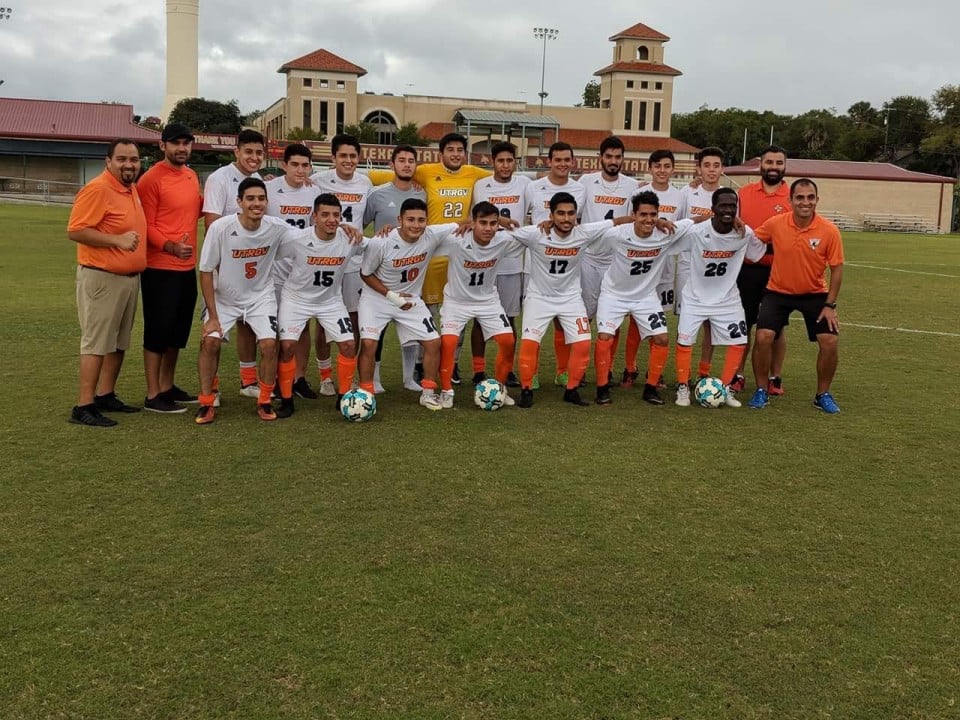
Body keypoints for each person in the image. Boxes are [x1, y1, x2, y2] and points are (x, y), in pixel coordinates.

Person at [508, 191, 633, 408]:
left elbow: (616, 221)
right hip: (539, 297)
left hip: (570, 298)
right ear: (551, 215)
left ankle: (572, 389)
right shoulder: (535, 233)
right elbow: (505, 230)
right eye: (561, 214)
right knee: (529, 343)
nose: (566, 218)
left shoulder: (584, 232)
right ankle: (527, 390)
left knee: (583, 343)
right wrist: (478, 222)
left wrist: (656, 221)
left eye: (571, 214)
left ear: (577, 215)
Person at [67, 138, 147, 426]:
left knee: (118, 342)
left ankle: (105, 394)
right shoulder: (98, 188)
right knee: (97, 342)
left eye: (134, 159)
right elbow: (76, 230)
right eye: (122, 159)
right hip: (102, 277)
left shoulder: (130, 189)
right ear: (108, 161)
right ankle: (84, 405)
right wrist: (117, 240)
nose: (129, 165)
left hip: (128, 279)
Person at [593, 190, 698, 406]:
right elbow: (588, 235)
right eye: (643, 215)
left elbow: (694, 220)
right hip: (614, 295)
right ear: (634, 215)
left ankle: (650, 389)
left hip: (645, 297)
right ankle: (602, 387)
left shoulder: (666, 232)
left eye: (653, 215)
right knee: (604, 337)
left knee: (662, 339)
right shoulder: (617, 234)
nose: (648, 220)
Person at [195, 178, 286, 424]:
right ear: (239, 202)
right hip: (224, 298)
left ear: (267, 202)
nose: (256, 204)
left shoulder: (277, 227)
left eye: (261, 199)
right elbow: (205, 271)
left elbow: (309, 237)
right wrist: (212, 317)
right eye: (250, 199)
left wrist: (343, 227)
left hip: (260, 298)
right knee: (210, 343)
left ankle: (265, 400)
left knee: (268, 345)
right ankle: (207, 400)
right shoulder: (221, 228)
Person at [748, 179, 844, 413]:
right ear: (790, 201)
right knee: (763, 336)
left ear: (817, 200)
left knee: (830, 341)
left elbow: (837, 269)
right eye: (799, 197)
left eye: (810, 197)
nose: (805, 202)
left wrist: (830, 305)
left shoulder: (829, 230)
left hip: (815, 293)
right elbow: (750, 239)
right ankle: (761, 390)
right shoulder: (775, 224)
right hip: (777, 292)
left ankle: (822, 395)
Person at [356, 198, 460, 411]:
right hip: (377, 298)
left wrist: (477, 223)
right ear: (399, 220)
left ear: (427, 221)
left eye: (421, 220)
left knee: (433, 342)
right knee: (369, 344)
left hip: (411, 299)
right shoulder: (381, 242)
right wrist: (392, 296)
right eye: (410, 219)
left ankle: (428, 393)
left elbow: (461, 224)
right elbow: (365, 274)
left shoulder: (432, 234)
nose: (416, 225)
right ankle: (366, 393)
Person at [672, 188, 766, 408]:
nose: (728, 210)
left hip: (727, 298)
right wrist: (698, 218)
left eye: (732, 206)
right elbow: (673, 235)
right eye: (723, 205)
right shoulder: (697, 232)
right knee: (685, 340)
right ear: (713, 208)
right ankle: (683, 386)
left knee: (740, 341)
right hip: (695, 297)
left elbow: (757, 253)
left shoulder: (744, 233)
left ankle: (725, 388)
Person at [410, 132, 491, 385]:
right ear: (441, 153)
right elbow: (389, 176)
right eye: (451, 149)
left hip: (459, 253)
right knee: (429, 314)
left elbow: (506, 180)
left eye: (460, 150)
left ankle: (452, 364)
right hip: (431, 253)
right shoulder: (424, 172)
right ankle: (422, 364)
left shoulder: (473, 173)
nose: (456, 154)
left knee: (459, 312)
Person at [274, 194, 363, 418]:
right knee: (287, 347)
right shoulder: (296, 239)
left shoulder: (349, 238)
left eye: (335, 215)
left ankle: (343, 397)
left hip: (330, 301)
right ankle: (286, 399)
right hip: (296, 300)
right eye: (324, 214)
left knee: (349, 345)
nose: (331, 219)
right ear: (313, 216)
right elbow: (269, 253)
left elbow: (379, 247)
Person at [137, 123, 203, 414]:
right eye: (175, 143)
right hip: (159, 267)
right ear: (162, 146)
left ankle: (167, 385)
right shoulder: (151, 180)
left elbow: (198, 209)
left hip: (187, 268)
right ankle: (153, 395)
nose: (182, 148)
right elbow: (146, 225)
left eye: (186, 143)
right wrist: (170, 246)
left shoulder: (190, 176)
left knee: (177, 332)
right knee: (158, 331)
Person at [435, 201, 522, 407]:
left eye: (493, 223)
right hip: (456, 301)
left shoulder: (503, 239)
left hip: (488, 301)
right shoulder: (455, 240)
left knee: (508, 341)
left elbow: (530, 235)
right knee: (448, 343)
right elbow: (426, 235)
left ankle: (500, 388)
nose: (488, 228)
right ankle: (446, 390)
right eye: (483, 223)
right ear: (473, 222)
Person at [202, 129, 266, 398]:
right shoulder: (219, 179)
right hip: (224, 266)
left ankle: (248, 381)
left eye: (259, 153)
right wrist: (220, 264)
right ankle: (211, 389)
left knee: (248, 324)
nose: (254, 157)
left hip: (251, 268)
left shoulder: (258, 179)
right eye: (248, 151)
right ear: (236, 151)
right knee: (214, 331)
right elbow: (211, 223)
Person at [363, 144, 428, 393]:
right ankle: (375, 378)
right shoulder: (378, 194)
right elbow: (363, 227)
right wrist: (377, 236)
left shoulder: (422, 194)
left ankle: (409, 378)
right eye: (402, 160)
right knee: (376, 331)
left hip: (410, 271)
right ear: (392, 164)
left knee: (409, 326)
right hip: (381, 273)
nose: (407, 164)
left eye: (411, 160)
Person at [522, 142, 587, 388]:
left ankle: (562, 371)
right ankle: (533, 373)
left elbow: (581, 222)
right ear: (549, 161)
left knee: (563, 320)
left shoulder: (580, 189)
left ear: (572, 162)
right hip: (537, 261)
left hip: (567, 261)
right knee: (534, 324)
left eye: (566, 160)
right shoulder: (533, 187)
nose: (562, 164)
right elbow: (523, 218)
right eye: (557, 159)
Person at [470, 141, 530, 386]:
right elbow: (478, 217)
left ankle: (508, 368)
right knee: (479, 318)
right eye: (501, 160)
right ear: (492, 162)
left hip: (512, 260)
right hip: (484, 260)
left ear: (515, 162)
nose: (505, 165)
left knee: (509, 317)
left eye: (510, 160)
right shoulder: (481, 186)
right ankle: (478, 370)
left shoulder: (525, 184)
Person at [265, 143, 322, 399]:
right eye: (295, 165)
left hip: (303, 270)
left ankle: (299, 378)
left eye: (305, 165)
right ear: (284, 165)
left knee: (302, 326)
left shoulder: (314, 191)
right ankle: (277, 378)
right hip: (275, 270)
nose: (300, 170)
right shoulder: (269, 189)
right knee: (278, 328)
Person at [733, 145, 791, 394]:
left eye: (779, 163)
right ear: (761, 165)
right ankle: (737, 374)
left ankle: (774, 377)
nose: (774, 167)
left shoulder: (793, 195)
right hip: (747, 271)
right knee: (743, 324)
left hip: (779, 272)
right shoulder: (743, 193)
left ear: (785, 166)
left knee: (776, 328)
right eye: (770, 162)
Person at [622, 148, 683, 388]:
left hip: (665, 266)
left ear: (673, 169)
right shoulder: (638, 192)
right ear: (650, 168)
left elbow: (684, 228)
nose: (662, 170)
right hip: (640, 265)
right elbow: (631, 223)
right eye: (657, 166)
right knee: (636, 319)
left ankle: (652, 373)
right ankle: (629, 369)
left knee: (656, 318)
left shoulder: (680, 195)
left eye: (666, 166)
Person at [675, 146, 725, 381]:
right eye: (707, 165)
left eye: (716, 165)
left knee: (710, 323)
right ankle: (682, 376)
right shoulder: (687, 192)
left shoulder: (728, 195)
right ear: (699, 168)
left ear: (722, 168)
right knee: (686, 322)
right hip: (688, 264)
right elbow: (677, 226)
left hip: (715, 268)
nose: (711, 170)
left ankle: (703, 373)